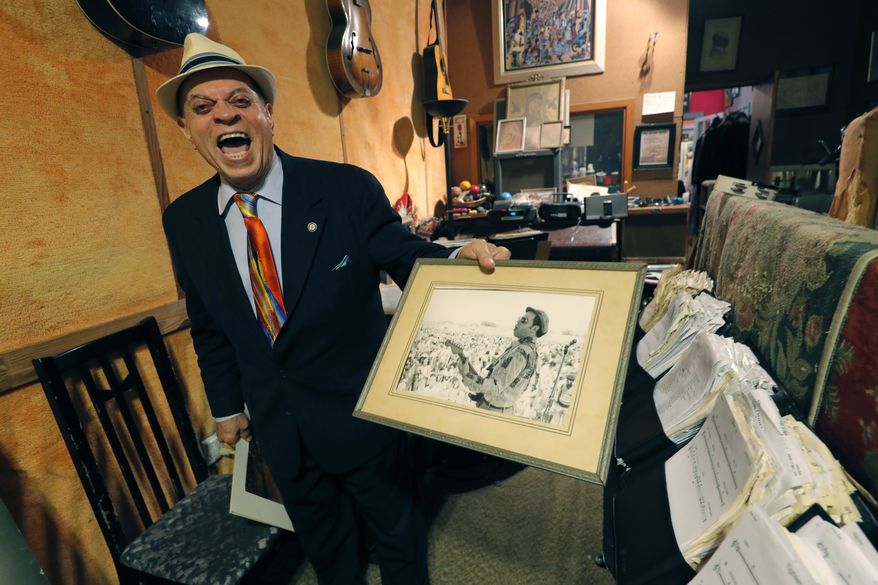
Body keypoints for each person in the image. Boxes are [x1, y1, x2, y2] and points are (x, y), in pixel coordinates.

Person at [156, 33, 509, 585]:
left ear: (268, 115)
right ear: (186, 129)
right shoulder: (184, 220)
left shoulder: (345, 190)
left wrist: (455, 259)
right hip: (281, 430)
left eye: (241, 101)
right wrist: (226, 408)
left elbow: (405, 258)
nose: (224, 114)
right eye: (203, 107)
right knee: (328, 554)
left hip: (364, 419)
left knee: (399, 543)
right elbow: (208, 325)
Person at [449, 307, 548, 414]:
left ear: (534, 328)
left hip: (492, 410)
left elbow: (495, 387)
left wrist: (466, 374)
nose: (518, 321)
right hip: (501, 408)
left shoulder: (520, 352)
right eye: (519, 318)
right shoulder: (530, 350)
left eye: (524, 320)